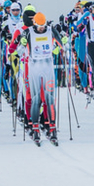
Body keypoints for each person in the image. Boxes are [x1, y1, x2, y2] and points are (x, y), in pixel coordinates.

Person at [26, 12, 60, 143]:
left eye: (43, 25)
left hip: (47, 68)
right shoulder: (28, 32)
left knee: (50, 99)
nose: (41, 28)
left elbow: (62, 45)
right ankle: (35, 129)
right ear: (35, 23)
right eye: (39, 25)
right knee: (36, 100)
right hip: (34, 68)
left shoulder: (51, 31)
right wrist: (22, 43)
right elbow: (17, 47)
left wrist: (61, 42)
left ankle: (52, 128)